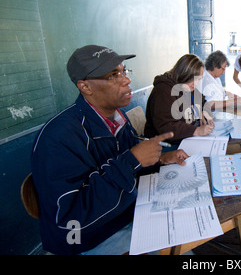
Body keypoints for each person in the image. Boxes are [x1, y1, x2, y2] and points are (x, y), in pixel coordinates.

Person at [31, 45, 188, 255]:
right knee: (181, 248)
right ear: (85, 87)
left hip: (125, 215)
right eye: (114, 75)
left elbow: (130, 165)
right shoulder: (58, 137)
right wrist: (133, 160)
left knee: (185, 229)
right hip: (87, 241)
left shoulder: (117, 118)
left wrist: (159, 159)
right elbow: (71, 223)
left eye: (124, 71)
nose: (126, 80)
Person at [144, 54, 214, 145]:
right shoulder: (163, 91)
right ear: (184, 74)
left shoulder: (187, 86)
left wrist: (203, 112)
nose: (196, 84)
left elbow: (202, 101)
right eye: (193, 79)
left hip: (184, 140)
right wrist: (197, 130)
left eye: (198, 79)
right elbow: (167, 126)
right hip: (164, 146)